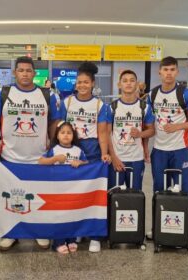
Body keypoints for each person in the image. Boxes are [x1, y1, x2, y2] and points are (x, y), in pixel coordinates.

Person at [0, 56, 61, 251]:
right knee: (12, 197)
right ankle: (12, 233)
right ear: (14, 72)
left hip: (40, 157)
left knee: (39, 197)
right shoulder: (1, 94)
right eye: (21, 70)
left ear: (34, 73)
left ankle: (40, 232)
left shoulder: (47, 95)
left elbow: (54, 122)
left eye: (29, 70)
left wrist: (53, 145)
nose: (25, 74)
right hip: (10, 157)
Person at [146, 56, 188, 239]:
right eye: (165, 70)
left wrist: (178, 126)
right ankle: (158, 228)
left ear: (177, 72)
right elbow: (148, 123)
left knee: (185, 190)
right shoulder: (152, 95)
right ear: (159, 72)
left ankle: (185, 230)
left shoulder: (186, 93)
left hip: (181, 150)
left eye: (172, 70)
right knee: (158, 190)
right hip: (159, 150)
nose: (168, 73)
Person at [60, 61, 111, 253]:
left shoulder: (100, 105)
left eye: (86, 82)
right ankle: (77, 230)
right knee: (74, 192)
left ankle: (95, 236)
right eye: (79, 82)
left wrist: (105, 153)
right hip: (71, 148)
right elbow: (60, 127)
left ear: (92, 84)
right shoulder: (67, 102)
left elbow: (103, 133)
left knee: (94, 194)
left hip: (92, 150)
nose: (82, 85)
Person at [38, 121, 88, 254]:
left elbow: (88, 164)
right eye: (63, 132)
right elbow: (41, 161)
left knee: (72, 214)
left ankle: (71, 239)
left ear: (73, 135)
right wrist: (54, 159)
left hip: (73, 190)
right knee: (59, 216)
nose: (66, 135)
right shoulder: (54, 150)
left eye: (69, 133)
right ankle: (58, 242)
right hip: (57, 191)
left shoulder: (78, 151)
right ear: (57, 135)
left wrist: (80, 163)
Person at [108, 70, 155, 191]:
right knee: (114, 196)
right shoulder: (111, 108)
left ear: (137, 84)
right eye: (125, 81)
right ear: (119, 85)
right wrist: (113, 157)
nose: (128, 83)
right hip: (117, 158)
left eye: (132, 80)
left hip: (136, 159)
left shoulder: (145, 107)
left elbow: (151, 130)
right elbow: (106, 134)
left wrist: (140, 134)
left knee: (134, 197)